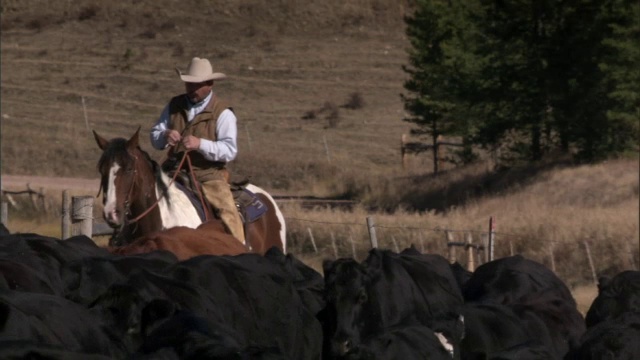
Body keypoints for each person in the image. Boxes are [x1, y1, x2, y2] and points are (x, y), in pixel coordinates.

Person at [150, 57, 245, 244]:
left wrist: (200, 144)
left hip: (208, 175)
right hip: (172, 170)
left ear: (210, 84)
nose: (191, 89)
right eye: (189, 84)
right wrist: (165, 135)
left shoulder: (223, 112)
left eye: (197, 85)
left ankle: (240, 251)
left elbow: (229, 150)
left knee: (228, 212)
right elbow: (155, 135)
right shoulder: (174, 105)